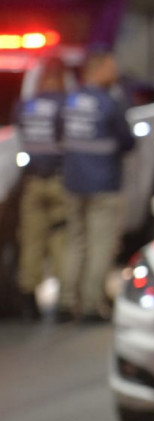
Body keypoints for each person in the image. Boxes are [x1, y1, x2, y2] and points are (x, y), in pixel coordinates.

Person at [60, 49, 135, 323]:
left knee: (75, 243)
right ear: (98, 68)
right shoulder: (109, 103)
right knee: (100, 245)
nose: (115, 73)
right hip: (104, 185)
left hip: (73, 183)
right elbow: (128, 141)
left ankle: (66, 301)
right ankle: (92, 305)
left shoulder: (69, 101)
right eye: (111, 67)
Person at [14, 58, 69, 321]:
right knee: (60, 239)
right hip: (58, 181)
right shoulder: (64, 104)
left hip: (32, 182)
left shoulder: (24, 106)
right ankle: (62, 300)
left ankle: (29, 300)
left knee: (31, 240)